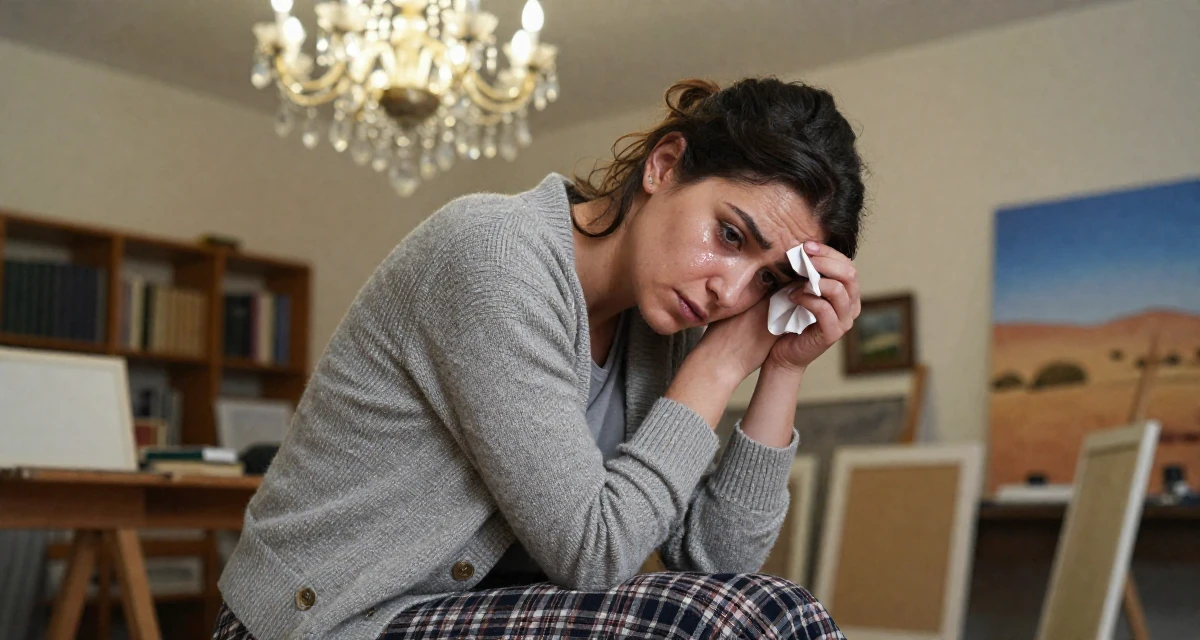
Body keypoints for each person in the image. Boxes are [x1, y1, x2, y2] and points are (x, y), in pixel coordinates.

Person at [214, 76, 865, 639]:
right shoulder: (497, 256)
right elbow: (593, 554)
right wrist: (721, 365)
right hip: (326, 618)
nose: (730, 290)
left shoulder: (663, 329)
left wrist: (783, 367)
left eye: (767, 282)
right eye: (728, 235)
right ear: (664, 165)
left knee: (755, 612)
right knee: (743, 621)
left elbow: (715, 562)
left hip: (459, 612)